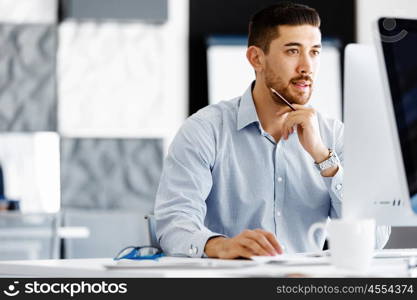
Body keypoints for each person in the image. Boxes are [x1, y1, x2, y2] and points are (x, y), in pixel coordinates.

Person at [154, 2, 390, 258]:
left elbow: (375, 239)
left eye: (314, 52)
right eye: (292, 51)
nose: (307, 66)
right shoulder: (204, 131)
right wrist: (221, 245)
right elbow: (173, 224)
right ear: (256, 58)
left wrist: (325, 159)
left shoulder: (334, 136)